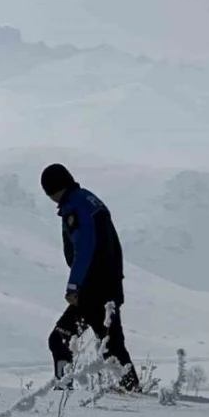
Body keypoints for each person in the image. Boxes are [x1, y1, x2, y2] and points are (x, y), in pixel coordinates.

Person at [40, 163, 140, 391]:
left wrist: (74, 286)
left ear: (54, 189)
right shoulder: (89, 200)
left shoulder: (75, 206)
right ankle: (132, 389)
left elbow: (85, 248)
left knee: (60, 340)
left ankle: (63, 392)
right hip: (108, 286)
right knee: (112, 347)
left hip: (92, 289)